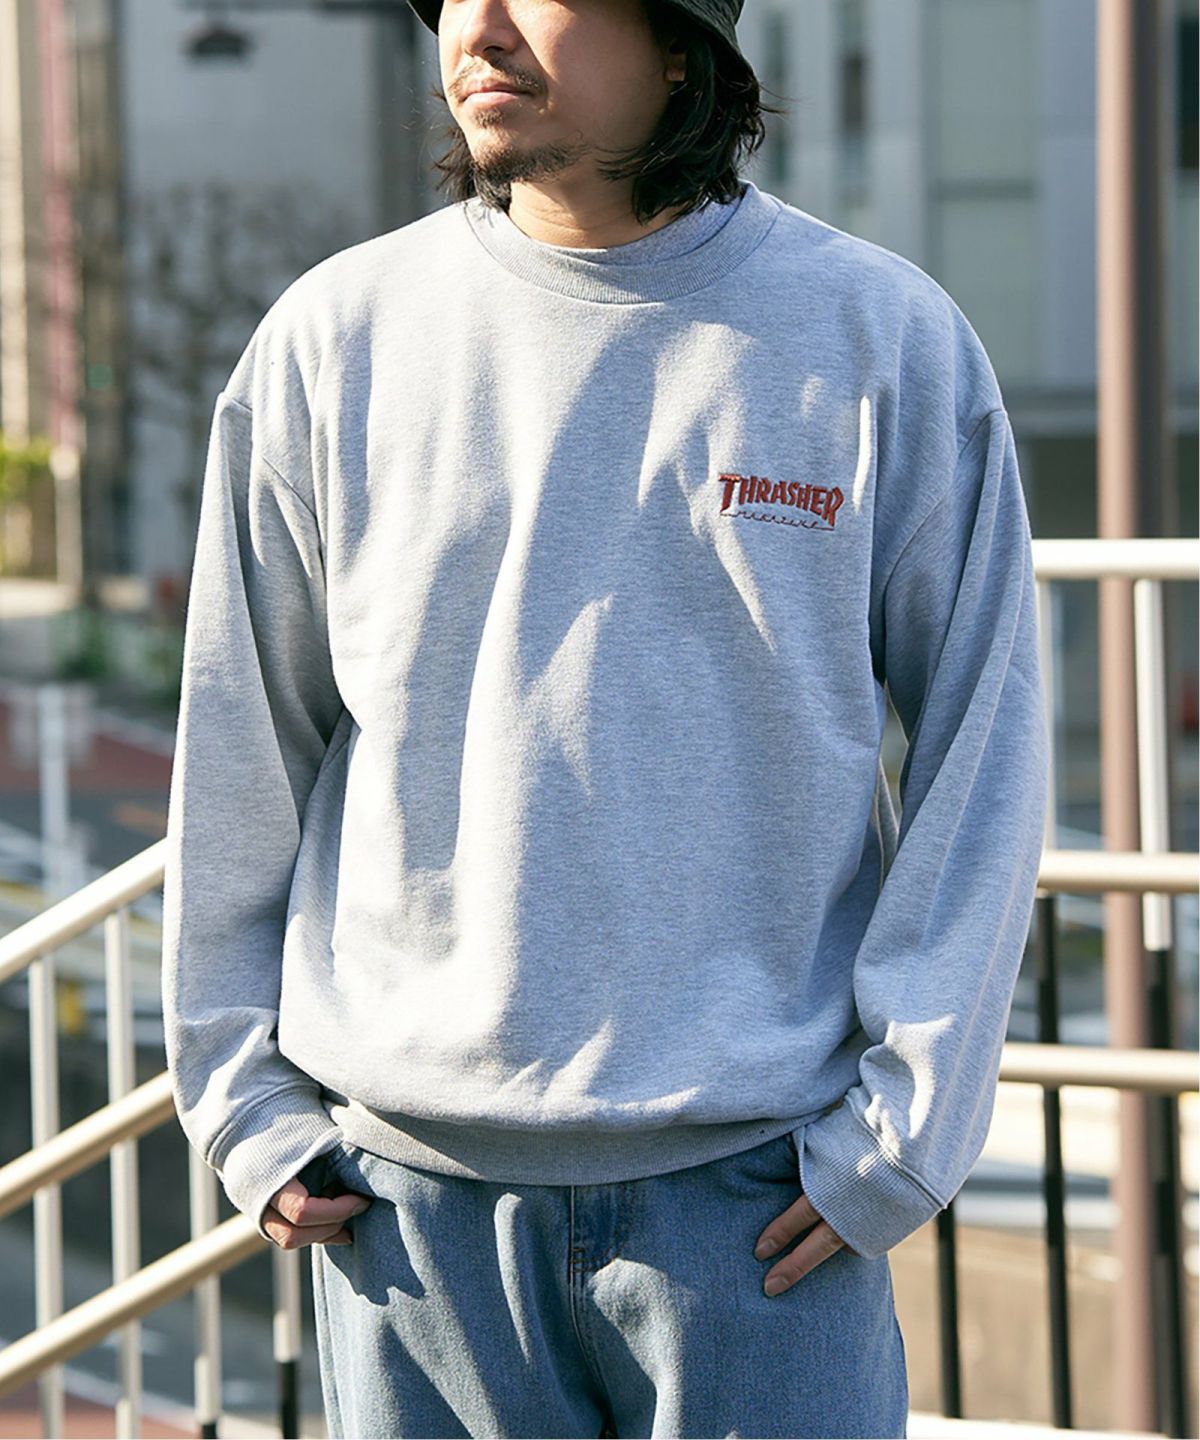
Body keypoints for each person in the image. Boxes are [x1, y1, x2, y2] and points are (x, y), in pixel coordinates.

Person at [160, 0, 1050, 1435]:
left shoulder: (878, 339)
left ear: (685, 45)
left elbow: (985, 749)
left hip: (762, 1204)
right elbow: (242, 748)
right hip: (404, 1214)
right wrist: (239, 1102)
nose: (479, 29)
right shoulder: (334, 341)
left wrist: (901, 1136)